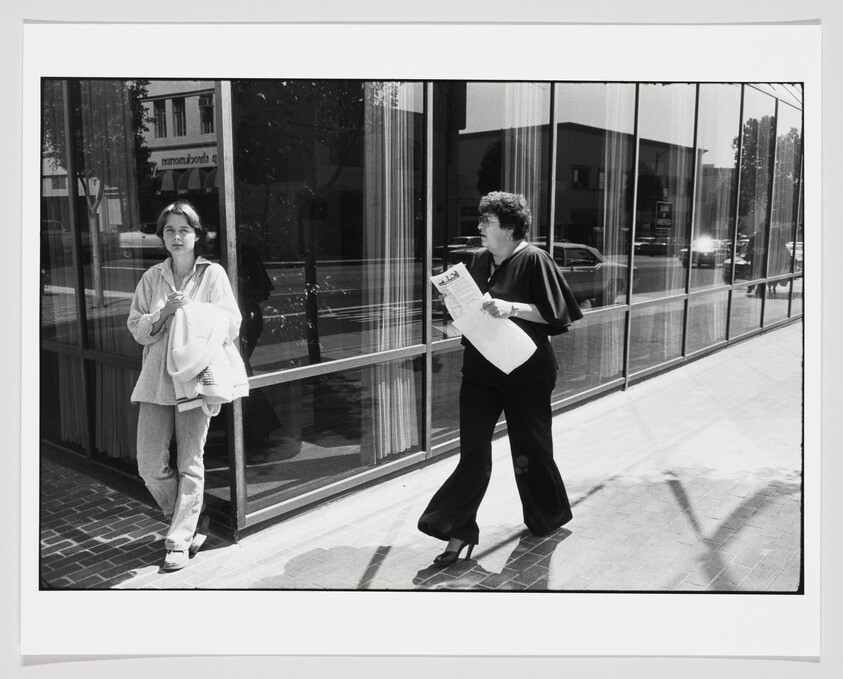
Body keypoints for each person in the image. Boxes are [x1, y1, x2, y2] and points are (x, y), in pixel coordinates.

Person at [418, 191, 583, 566]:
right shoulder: (476, 260)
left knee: (532, 450)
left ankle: (548, 514)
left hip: (527, 373)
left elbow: (557, 315)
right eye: (482, 221)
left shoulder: (534, 259)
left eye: (487, 222)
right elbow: (469, 305)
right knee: (474, 452)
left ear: (508, 229)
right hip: (479, 372)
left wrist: (512, 308)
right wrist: (454, 305)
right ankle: (458, 531)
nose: (479, 227)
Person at [127, 201, 242, 572]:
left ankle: (178, 538)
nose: (177, 237)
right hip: (157, 380)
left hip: (195, 377)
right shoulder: (151, 278)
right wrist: (163, 313)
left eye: (184, 230)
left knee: (190, 460)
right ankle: (192, 519)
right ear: (162, 236)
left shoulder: (213, 275)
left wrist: (190, 312)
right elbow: (137, 329)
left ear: (197, 236)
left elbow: (232, 324)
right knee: (149, 465)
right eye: (170, 231)